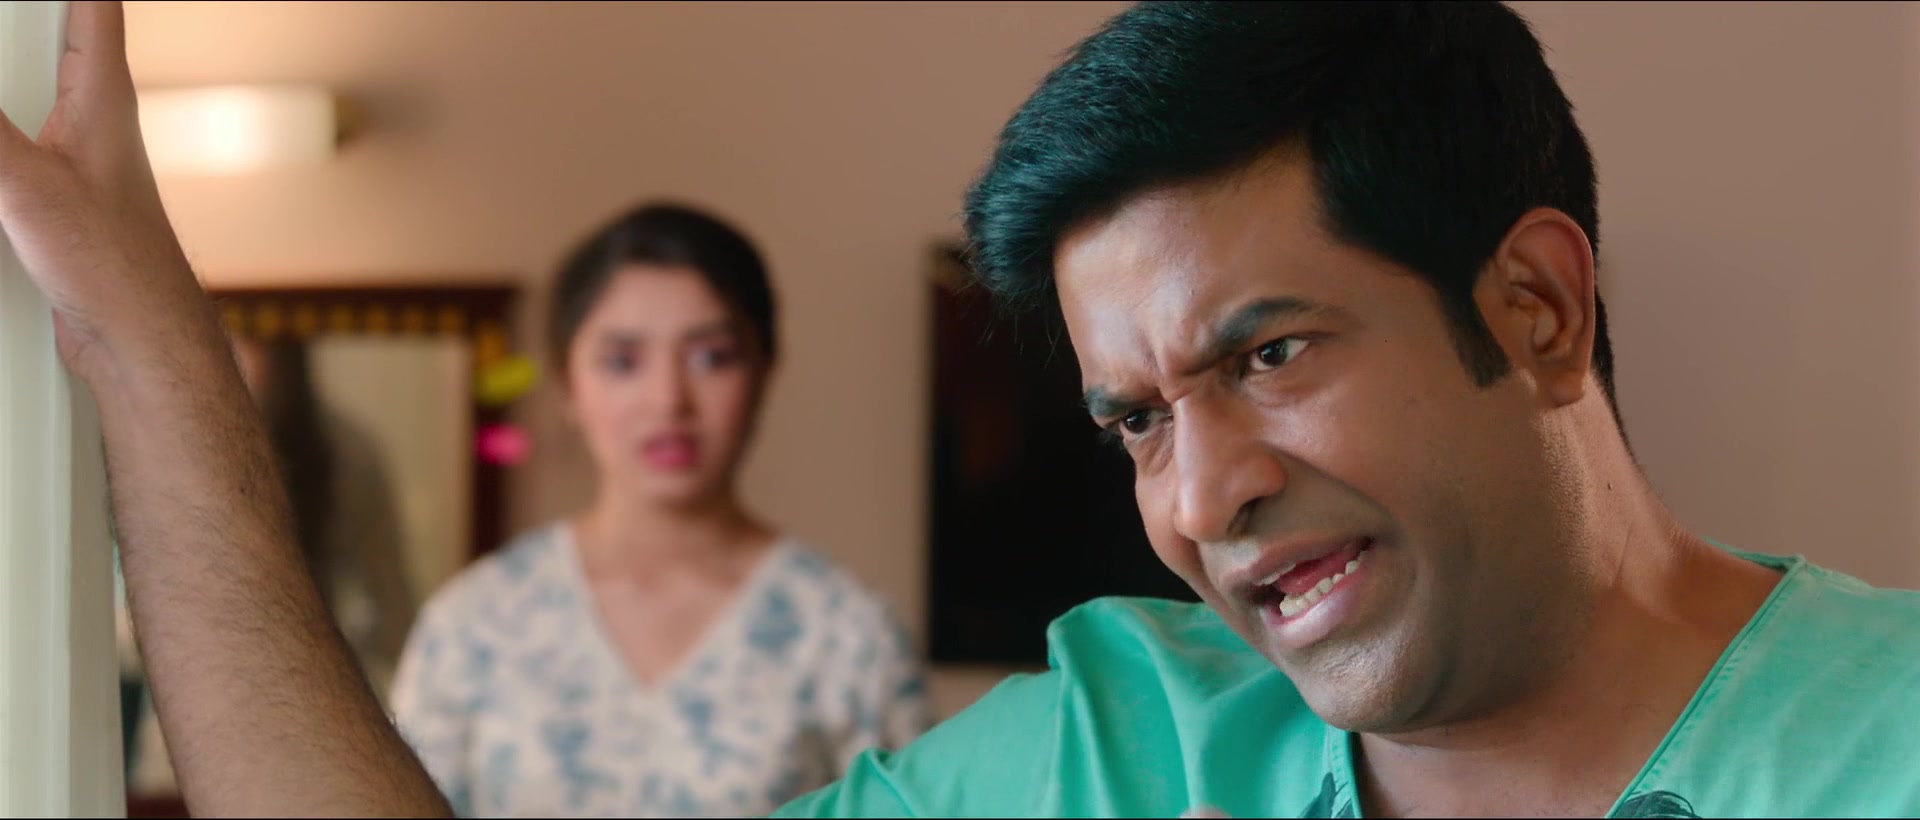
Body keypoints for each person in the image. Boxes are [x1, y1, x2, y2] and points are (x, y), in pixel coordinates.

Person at [771, 1, 1920, 817]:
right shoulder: (1114, 742)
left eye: (1269, 355)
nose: (1201, 501)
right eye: (1140, 421)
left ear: (1538, 311)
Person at [389, 203, 931, 817]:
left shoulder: (847, 636)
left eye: (712, 357)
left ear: (765, 369)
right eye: (623, 361)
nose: (669, 400)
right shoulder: (473, 626)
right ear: (568, 384)